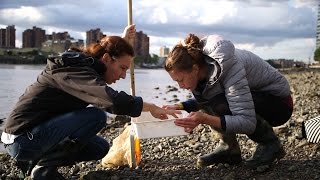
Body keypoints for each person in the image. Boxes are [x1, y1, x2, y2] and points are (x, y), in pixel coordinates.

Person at [0, 24, 178, 180]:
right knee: (96, 116)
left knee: (99, 147)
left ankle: (35, 163)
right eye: (123, 68)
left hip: (35, 134)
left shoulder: (86, 65)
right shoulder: (73, 70)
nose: (123, 75)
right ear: (107, 59)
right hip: (22, 140)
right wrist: (151, 107)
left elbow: (102, 59)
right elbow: (110, 100)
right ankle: (43, 169)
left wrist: (122, 41)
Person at [163, 34, 293, 169]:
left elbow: (246, 122)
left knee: (219, 103)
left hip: (280, 104)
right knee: (212, 99)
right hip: (258, 97)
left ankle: (270, 145)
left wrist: (205, 119)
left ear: (195, 69)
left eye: (181, 80)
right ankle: (230, 149)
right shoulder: (204, 67)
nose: (180, 86)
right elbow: (205, 96)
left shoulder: (229, 67)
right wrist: (180, 106)